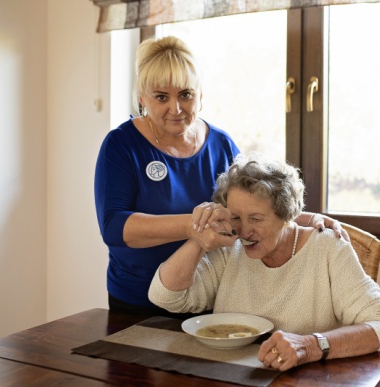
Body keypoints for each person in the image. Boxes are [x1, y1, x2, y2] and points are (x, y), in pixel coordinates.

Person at [94, 35, 349, 317]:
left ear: (200, 95)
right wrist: (193, 226)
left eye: (185, 94)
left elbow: (254, 207)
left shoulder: (221, 145)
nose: (175, 108)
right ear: (143, 98)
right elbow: (114, 226)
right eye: (161, 97)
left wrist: (308, 219)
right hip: (135, 302)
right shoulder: (121, 145)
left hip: (206, 297)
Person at [148, 152, 380, 371]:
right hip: (230, 376)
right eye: (235, 217)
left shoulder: (328, 249)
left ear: (287, 215)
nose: (244, 232)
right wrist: (199, 236)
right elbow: (165, 297)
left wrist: (310, 346)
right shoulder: (229, 247)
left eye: (256, 219)